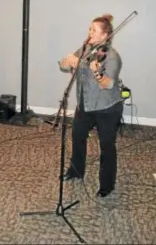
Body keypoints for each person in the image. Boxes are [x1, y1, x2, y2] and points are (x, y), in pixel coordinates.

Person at [59, 14, 124, 198]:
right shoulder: (86, 48)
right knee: (77, 136)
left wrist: (96, 72)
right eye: (90, 29)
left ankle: (107, 185)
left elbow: (107, 84)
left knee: (106, 146)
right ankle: (76, 170)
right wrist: (69, 59)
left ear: (104, 36)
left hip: (107, 108)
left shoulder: (112, 57)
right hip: (85, 105)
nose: (90, 32)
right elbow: (64, 66)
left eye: (94, 30)